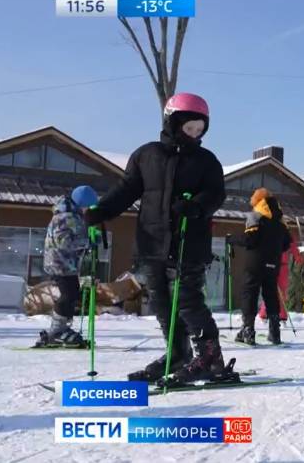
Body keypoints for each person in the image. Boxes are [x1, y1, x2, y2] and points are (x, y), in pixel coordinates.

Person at [85, 92, 229, 386]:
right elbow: (127, 189)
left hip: (189, 241)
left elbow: (216, 193)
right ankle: (177, 354)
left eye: (200, 130)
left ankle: (210, 359)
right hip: (152, 242)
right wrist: (102, 210)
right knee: (162, 303)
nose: (194, 135)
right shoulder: (146, 155)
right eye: (189, 128)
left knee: (188, 301)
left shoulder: (206, 161)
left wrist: (197, 206)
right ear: (173, 122)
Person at [228, 188, 294, 345]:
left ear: (257, 202)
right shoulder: (281, 222)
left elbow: (250, 239)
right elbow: (286, 244)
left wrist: (232, 239)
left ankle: (248, 331)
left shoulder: (256, 217)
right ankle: (275, 333)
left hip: (255, 262)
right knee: (270, 294)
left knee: (249, 292)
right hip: (273, 263)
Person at [36, 186, 99, 347]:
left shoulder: (72, 216)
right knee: (69, 294)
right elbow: (63, 241)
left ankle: (61, 328)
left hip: (66, 262)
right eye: (87, 206)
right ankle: (56, 331)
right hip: (59, 262)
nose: (87, 210)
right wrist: (88, 242)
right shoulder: (65, 217)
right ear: (81, 203)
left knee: (72, 292)